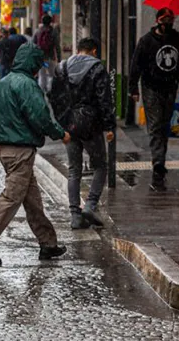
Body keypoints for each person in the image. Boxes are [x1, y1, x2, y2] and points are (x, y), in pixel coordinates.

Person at [0, 43, 71, 266]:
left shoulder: (2, 84)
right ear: (32, 64)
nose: (38, 71)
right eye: (37, 66)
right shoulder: (27, 85)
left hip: (6, 152)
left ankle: (48, 244)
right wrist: (60, 134)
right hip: (21, 152)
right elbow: (40, 116)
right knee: (11, 199)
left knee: (32, 200)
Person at [49, 38, 115, 229]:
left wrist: (62, 123)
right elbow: (104, 99)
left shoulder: (62, 68)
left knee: (74, 170)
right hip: (91, 123)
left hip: (70, 124)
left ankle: (75, 215)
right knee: (100, 165)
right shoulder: (97, 68)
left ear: (78, 50)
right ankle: (91, 205)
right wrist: (109, 126)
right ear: (94, 51)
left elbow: (55, 97)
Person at [129, 8, 179, 191]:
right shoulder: (146, 41)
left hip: (170, 87)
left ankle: (160, 158)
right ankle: (158, 163)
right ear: (157, 22)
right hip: (151, 87)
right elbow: (136, 64)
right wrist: (133, 88)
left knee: (164, 126)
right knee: (155, 126)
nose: (168, 24)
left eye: (171, 20)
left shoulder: (178, 39)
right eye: (165, 21)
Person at [33, 15, 62, 93]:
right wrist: (59, 58)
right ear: (50, 22)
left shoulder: (37, 31)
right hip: (50, 58)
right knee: (51, 75)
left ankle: (41, 91)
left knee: (42, 75)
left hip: (41, 59)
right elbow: (57, 46)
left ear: (42, 22)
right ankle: (50, 91)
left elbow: (33, 45)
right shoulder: (53, 31)